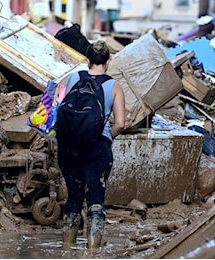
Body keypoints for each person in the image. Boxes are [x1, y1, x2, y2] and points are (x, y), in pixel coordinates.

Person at [56, 40, 125, 250]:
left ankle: (67, 249)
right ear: (108, 60)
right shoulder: (114, 86)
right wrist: (106, 137)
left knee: (73, 198)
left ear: (88, 59)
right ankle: (93, 252)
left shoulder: (71, 78)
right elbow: (121, 123)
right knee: (95, 198)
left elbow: (54, 105)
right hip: (97, 149)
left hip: (68, 148)